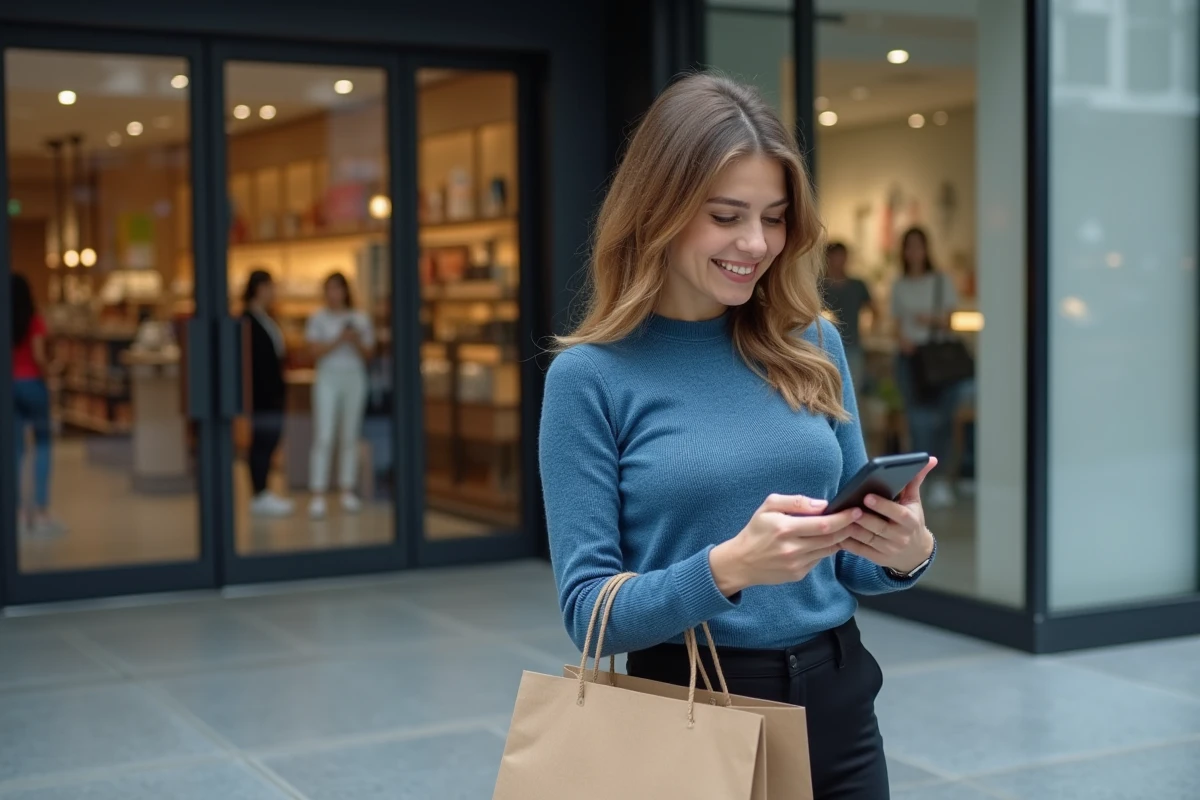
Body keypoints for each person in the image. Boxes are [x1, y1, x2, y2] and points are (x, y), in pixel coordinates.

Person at [539, 73, 937, 799]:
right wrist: (727, 567)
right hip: (694, 707)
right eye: (726, 216)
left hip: (840, 702)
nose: (755, 244)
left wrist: (905, 551)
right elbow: (588, 613)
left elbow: (845, 556)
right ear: (659, 211)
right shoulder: (589, 377)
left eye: (775, 217)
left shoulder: (812, 340)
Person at [890, 226, 961, 509]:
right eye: (910, 246)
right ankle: (921, 482)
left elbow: (950, 320)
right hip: (910, 359)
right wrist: (902, 339)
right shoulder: (899, 284)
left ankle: (943, 479)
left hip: (939, 361)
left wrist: (928, 320)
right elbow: (895, 323)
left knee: (944, 418)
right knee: (917, 421)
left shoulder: (941, 281)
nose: (914, 252)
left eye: (919, 246)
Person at [305, 271, 374, 518]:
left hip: (353, 377)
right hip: (327, 377)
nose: (333, 294)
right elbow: (314, 351)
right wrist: (339, 339)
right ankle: (318, 493)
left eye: (338, 289)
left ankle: (347, 490)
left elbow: (369, 353)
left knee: (350, 434)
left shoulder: (360, 318)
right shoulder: (317, 318)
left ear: (345, 291)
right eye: (329, 289)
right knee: (324, 434)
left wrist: (353, 340)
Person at [242, 269, 294, 517]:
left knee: (269, 439)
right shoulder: (248, 321)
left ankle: (263, 490)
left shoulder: (265, 318)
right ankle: (259, 491)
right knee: (262, 441)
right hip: (262, 393)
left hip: (272, 390)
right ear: (259, 288)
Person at [11, 274, 60, 534]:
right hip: (33, 385)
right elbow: (40, 355)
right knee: (42, 445)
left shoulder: (6, 322)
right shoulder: (34, 321)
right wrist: (50, 375)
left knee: (15, 451)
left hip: (9, 386)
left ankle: (17, 512)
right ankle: (41, 511)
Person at [821, 241, 877, 396]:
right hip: (823, 348)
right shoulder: (819, 285)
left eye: (841, 256)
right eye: (834, 257)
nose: (838, 261)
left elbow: (874, 310)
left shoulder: (857, 285)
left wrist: (870, 332)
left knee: (851, 394)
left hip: (852, 345)